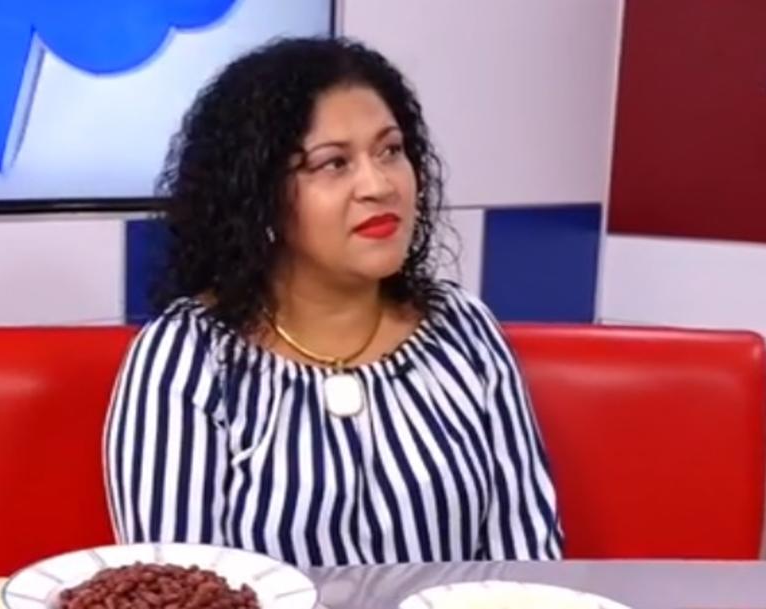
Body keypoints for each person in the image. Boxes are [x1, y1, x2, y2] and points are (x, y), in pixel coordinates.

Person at [104, 36, 563, 566]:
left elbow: (528, 559)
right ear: (259, 196)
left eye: (390, 151)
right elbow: (179, 586)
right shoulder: (187, 357)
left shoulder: (464, 329)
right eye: (333, 163)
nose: (378, 185)